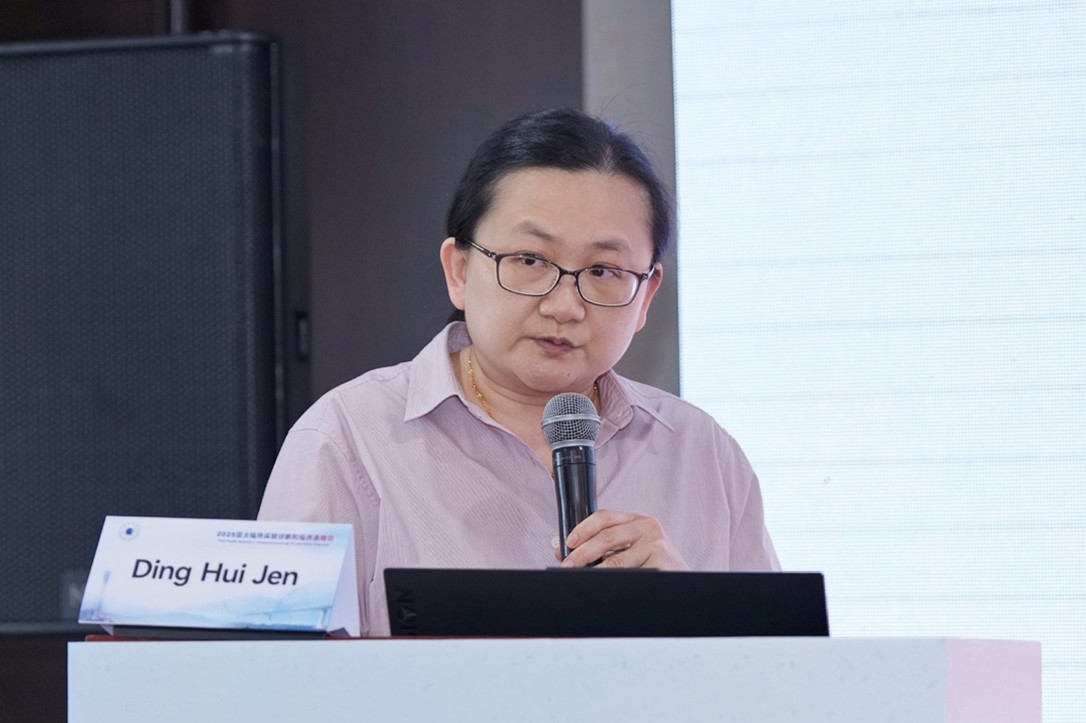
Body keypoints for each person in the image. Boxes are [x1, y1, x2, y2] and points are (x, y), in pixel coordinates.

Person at [258, 108, 779, 636]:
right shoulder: (346, 440)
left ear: (645, 296)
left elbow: (781, 671)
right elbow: (273, 673)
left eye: (603, 271)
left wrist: (692, 610)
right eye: (530, 260)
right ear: (459, 270)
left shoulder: (704, 456)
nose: (564, 306)